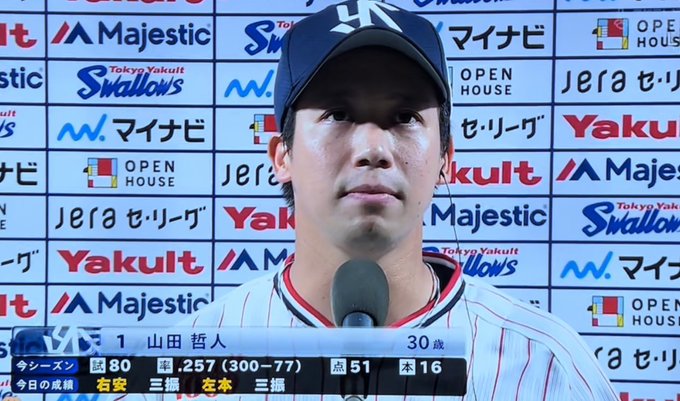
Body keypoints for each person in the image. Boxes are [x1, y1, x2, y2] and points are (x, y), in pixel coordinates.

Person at [187, 1, 620, 400]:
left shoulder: (546, 365)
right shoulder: (194, 359)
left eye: (404, 117)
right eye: (338, 114)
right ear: (283, 156)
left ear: (446, 159)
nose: (373, 149)